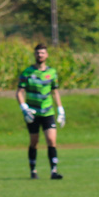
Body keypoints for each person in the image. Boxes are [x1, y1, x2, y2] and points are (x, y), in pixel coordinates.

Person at [17, 43, 65, 179]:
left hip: (48, 112)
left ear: (47, 55)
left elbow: (55, 92)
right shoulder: (27, 72)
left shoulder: (52, 73)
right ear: (35, 55)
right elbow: (20, 92)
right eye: (38, 53)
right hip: (32, 113)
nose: (40, 55)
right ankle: (33, 171)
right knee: (34, 141)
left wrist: (60, 109)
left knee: (51, 140)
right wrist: (24, 108)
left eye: (42, 53)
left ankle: (54, 171)